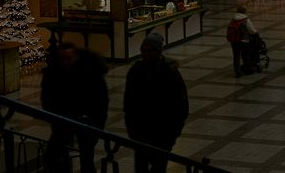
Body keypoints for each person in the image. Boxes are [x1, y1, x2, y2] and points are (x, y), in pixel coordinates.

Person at [123, 32, 189, 173]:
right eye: (144, 50)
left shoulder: (171, 73)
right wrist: (132, 129)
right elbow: (128, 102)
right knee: (140, 166)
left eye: (150, 51)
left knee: (158, 167)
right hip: (140, 132)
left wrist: (172, 133)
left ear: (159, 52)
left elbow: (181, 106)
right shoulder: (135, 72)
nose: (146, 54)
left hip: (162, 133)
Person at [40, 42, 109, 173]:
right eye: (63, 59)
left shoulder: (90, 71)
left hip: (87, 121)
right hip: (64, 119)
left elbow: (101, 101)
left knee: (86, 158)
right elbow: (47, 97)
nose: (66, 63)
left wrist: (97, 124)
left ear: (76, 57)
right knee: (53, 155)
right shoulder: (53, 72)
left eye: (69, 59)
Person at [228, 5, 258, 76]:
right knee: (246, 55)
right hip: (244, 41)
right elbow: (252, 31)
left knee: (236, 56)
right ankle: (248, 69)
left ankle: (237, 71)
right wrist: (256, 32)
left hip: (234, 41)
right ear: (244, 12)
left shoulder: (233, 19)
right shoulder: (245, 20)